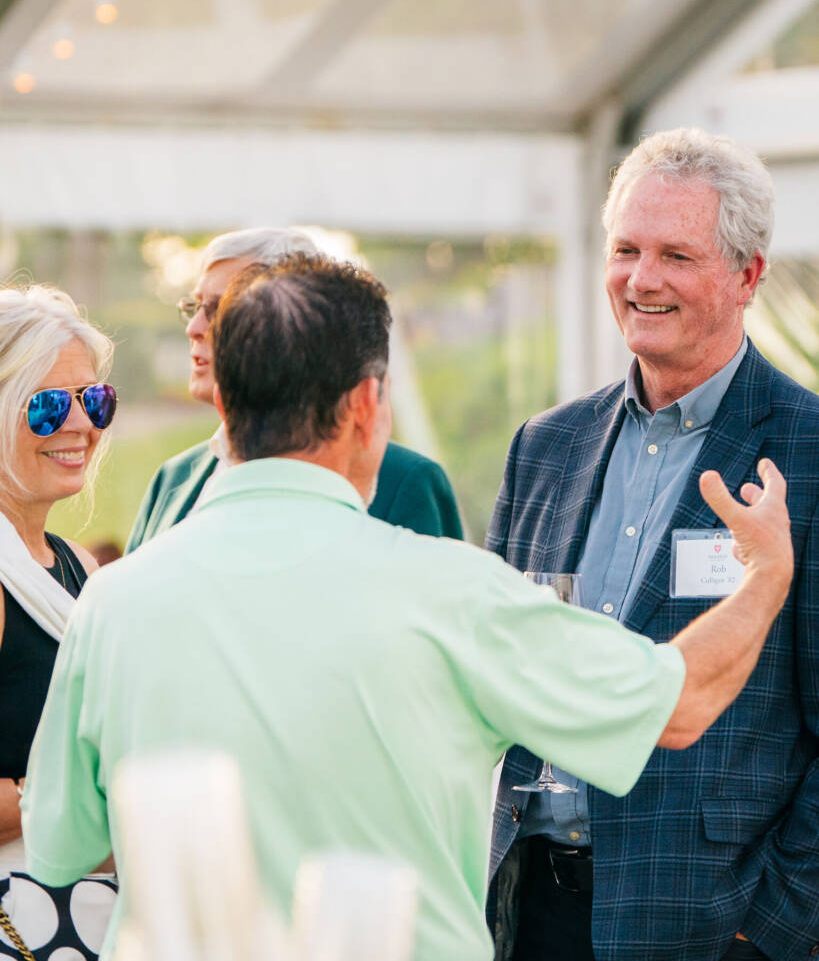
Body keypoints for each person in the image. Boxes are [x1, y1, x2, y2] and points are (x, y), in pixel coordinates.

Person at [23, 253, 793, 961]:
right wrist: (763, 575)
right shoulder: (451, 594)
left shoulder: (112, 600)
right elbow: (681, 702)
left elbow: (60, 844)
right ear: (366, 403)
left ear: (222, 400)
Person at [486, 128, 819, 961]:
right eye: (626, 249)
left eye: (676, 254)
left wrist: (773, 923)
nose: (642, 280)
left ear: (747, 276)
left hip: (708, 924)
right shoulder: (546, 444)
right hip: (524, 906)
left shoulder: (808, 450)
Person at [125, 227, 462, 551]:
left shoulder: (406, 482)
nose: (195, 328)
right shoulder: (172, 479)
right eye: (193, 308)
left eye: (221, 310)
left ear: (294, 319)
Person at [0, 284, 118, 961]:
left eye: (93, 400)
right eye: (46, 407)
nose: (80, 426)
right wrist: (73, 794)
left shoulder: (77, 566)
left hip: (84, 921)